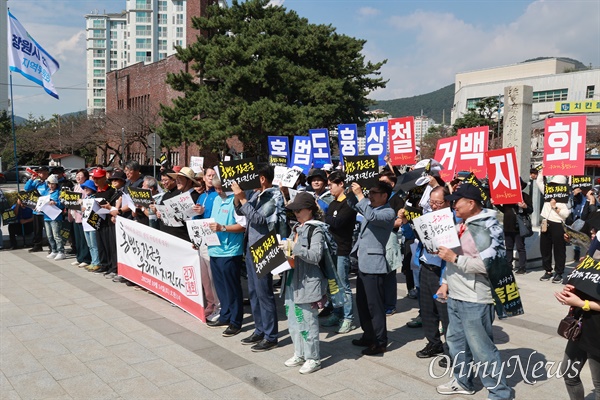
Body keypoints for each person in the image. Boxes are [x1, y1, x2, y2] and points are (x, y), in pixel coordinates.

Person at [436, 183, 514, 400]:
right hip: (456, 294)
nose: (453, 206)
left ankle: (499, 392)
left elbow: (493, 265)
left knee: (482, 349)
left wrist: (455, 259)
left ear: (471, 203)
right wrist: (445, 282)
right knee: (456, 342)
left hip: (476, 298)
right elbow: (452, 258)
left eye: (456, 201)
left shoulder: (488, 227)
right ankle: (463, 381)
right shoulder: (461, 224)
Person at [233, 165, 282, 352]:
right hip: (251, 246)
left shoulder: (273, 195)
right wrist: (239, 198)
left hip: (266, 247)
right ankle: (259, 329)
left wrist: (243, 198)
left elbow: (260, 219)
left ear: (262, 178)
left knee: (264, 293)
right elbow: (241, 214)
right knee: (253, 291)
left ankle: (271, 335)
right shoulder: (254, 194)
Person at [282, 191, 328, 374]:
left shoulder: (316, 229)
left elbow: (316, 255)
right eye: (294, 210)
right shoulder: (296, 228)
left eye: (299, 210)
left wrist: (295, 247)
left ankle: (313, 358)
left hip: (309, 281)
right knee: (293, 319)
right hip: (293, 278)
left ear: (310, 210)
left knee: (308, 321)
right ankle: (299, 353)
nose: (296, 213)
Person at [347, 181, 395, 356]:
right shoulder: (370, 207)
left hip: (375, 265)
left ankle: (380, 341)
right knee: (363, 304)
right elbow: (353, 205)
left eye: (374, 193)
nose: (370, 196)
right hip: (363, 262)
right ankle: (368, 335)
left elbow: (372, 217)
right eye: (370, 193)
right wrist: (351, 190)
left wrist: (361, 195)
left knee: (375, 306)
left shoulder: (388, 212)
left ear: (384, 196)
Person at [413, 186, 452, 366]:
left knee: (445, 313)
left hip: (443, 272)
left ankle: (452, 349)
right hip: (425, 267)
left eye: (438, 202)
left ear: (448, 202)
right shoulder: (427, 217)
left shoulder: (453, 220)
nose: (434, 206)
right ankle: (433, 343)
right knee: (427, 309)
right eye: (432, 202)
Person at [205, 176, 246, 337]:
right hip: (214, 248)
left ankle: (236, 321)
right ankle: (225, 315)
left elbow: (243, 226)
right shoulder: (216, 199)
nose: (218, 191)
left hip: (230, 250)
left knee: (232, 288)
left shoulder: (235, 200)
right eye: (216, 188)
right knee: (221, 287)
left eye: (221, 188)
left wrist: (223, 228)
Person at [321, 171, 358, 334]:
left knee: (343, 285)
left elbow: (338, 222)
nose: (329, 188)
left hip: (342, 249)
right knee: (333, 284)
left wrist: (325, 217)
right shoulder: (333, 203)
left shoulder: (349, 203)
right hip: (329, 248)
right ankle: (337, 312)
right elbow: (330, 220)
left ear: (341, 184)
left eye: (331, 185)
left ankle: (348, 318)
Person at [555, 284, 600, 400]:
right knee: (569, 373)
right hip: (581, 327)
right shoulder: (589, 266)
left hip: (597, 334)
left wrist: (582, 303)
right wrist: (573, 292)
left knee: (598, 383)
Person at [494, 179, 533, 275]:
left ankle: (522, 267)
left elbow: (531, 210)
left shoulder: (525, 196)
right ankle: (508, 265)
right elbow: (504, 210)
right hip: (508, 225)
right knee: (508, 247)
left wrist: (524, 207)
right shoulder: (507, 196)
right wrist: (496, 203)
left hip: (519, 226)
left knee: (520, 247)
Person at [537, 174, 571, 283]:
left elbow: (566, 214)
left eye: (556, 185)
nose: (553, 187)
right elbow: (539, 182)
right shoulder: (548, 193)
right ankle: (548, 271)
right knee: (545, 248)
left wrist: (555, 207)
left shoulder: (565, 197)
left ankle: (559, 272)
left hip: (558, 224)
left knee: (559, 250)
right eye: (552, 185)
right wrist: (542, 170)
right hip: (546, 223)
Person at [69, 169, 92, 268]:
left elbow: (87, 201)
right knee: (77, 238)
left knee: (83, 239)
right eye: (77, 175)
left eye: (80, 175)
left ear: (85, 177)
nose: (78, 177)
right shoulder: (76, 186)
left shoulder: (85, 187)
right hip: (75, 215)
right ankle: (79, 257)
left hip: (83, 216)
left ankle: (86, 259)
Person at [25, 166, 50, 253]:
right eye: (39, 172)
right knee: (37, 229)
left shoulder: (49, 182)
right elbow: (27, 189)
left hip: (46, 210)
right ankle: (37, 245)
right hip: (36, 210)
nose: (40, 174)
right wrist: (31, 179)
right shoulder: (36, 182)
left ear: (46, 172)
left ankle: (51, 246)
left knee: (48, 230)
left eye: (42, 172)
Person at [43, 175, 66, 260]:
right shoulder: (46, 192)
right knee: (49, 235)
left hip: (55, 217)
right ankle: (54, 250)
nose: (51, 185)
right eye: (49, 183)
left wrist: (56, 203)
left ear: (56, 184)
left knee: (57, 235)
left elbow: (63, 204)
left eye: (53, 183)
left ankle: (61, 251)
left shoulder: (59, 192)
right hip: (46, 216)